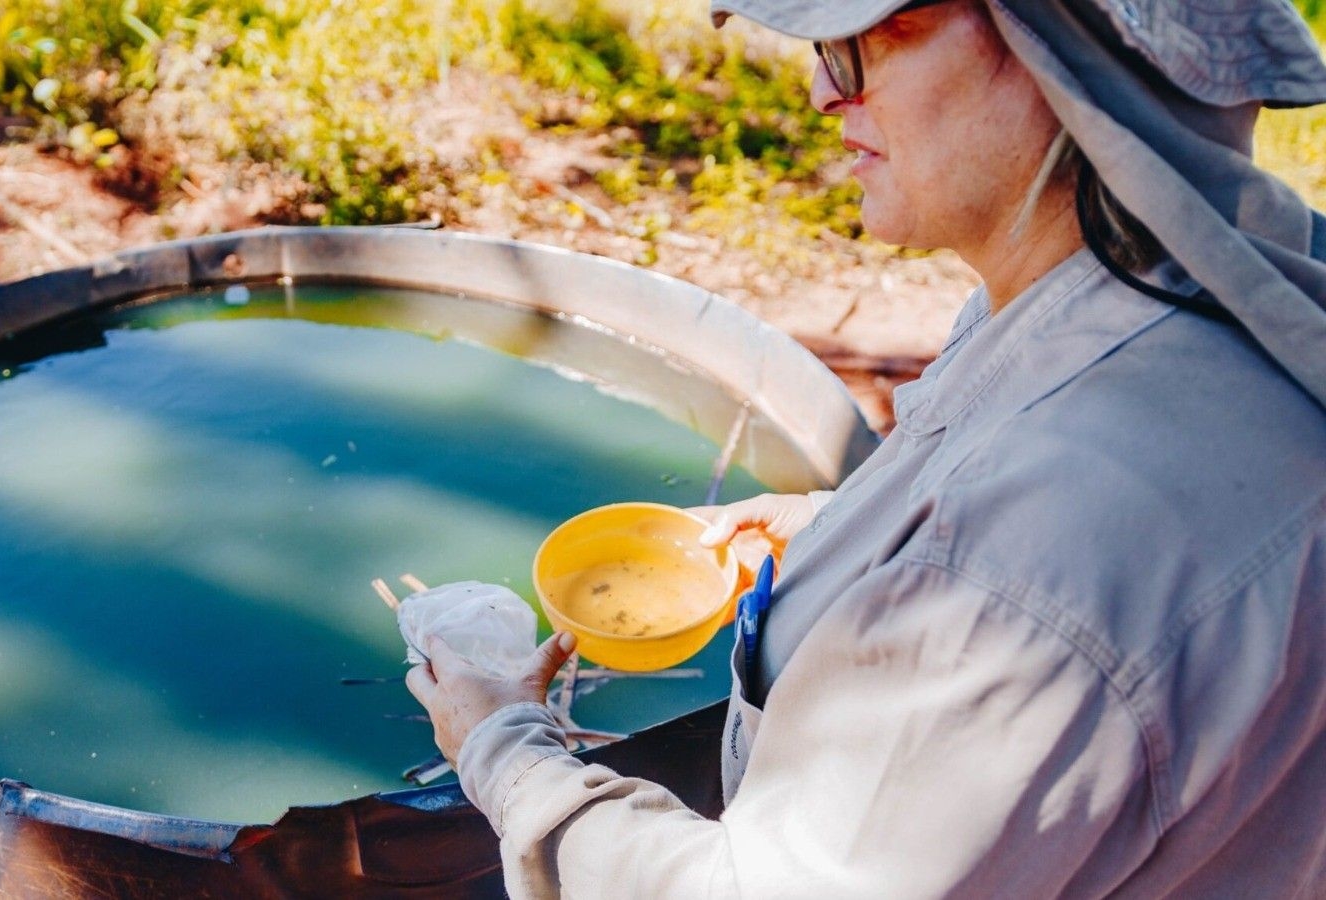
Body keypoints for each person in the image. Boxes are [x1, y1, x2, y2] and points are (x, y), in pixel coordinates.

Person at [405, 0, 1326, 895]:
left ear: (1064, 55)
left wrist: (505, 748)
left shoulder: (1030, 557)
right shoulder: (1203, 291)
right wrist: (848, 538)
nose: (820, 90)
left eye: (863, 40)